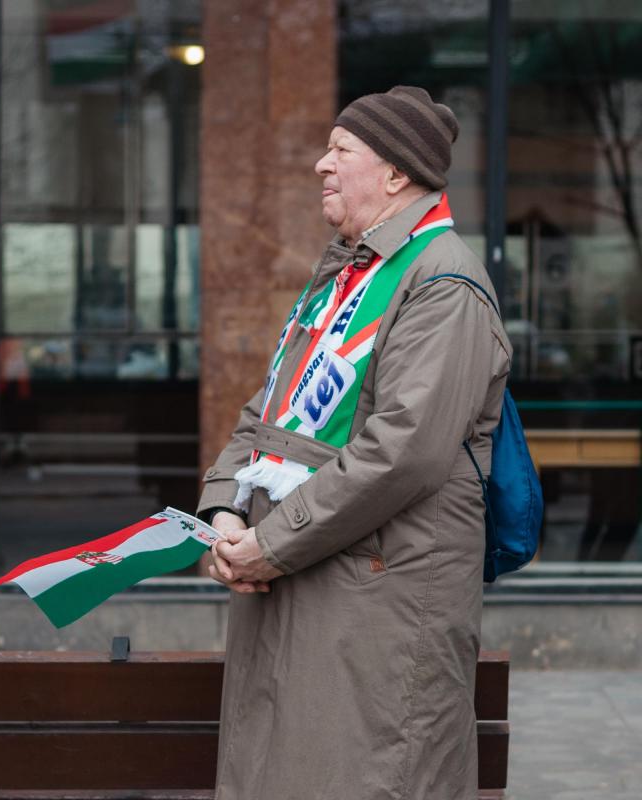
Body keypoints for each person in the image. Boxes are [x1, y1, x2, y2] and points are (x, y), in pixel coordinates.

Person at [199, 86, 510, 798]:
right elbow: (265, 410)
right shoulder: (345, 274)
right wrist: (225, 508)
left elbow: (404, 452)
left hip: (376, 608)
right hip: (314, 584)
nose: (320, 165)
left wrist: (273, 544)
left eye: (341, 150)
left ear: (396, 173)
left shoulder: (444, 282)